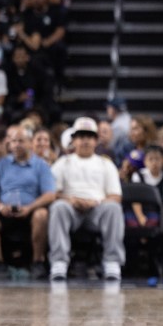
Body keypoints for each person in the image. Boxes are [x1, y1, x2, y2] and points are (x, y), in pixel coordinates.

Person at [48, 117, 124, 281]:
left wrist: (95, 202)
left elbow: (115, 196)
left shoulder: (106, 164)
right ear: (73, 140)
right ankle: (59, 262)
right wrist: (71, 200)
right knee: (58, 207)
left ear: (96, 141)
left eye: (89, 137)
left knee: (113, 208)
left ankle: (112, 262)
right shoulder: (63, 162)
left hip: (97, 209)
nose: (85, 141)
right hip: (71, 208)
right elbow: (52, 193)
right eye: (81, 137)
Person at [0, 126, 55, 279]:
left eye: (21, 141)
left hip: (30, 213)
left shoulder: (41, 165)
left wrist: (30, 207)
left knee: (42, 214)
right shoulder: (1, 165)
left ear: (30, 143)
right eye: (13, 141)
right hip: (4, 212)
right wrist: (0, 206)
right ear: (9, 144)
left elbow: (50, 195)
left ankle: (37, 262)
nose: (16, 145)